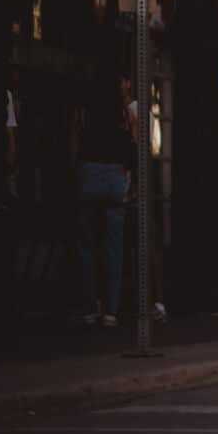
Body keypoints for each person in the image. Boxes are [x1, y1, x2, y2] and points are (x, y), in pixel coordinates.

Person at [74, 76, 136, 328]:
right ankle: (111, 310)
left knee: (87, 245)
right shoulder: (122, 111)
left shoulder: (84, 109)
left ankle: (90, 307)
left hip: (89, 171)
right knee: (114, 247)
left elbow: (74, 136)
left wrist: (76, 169)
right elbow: (133, 142)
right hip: (114, 174)